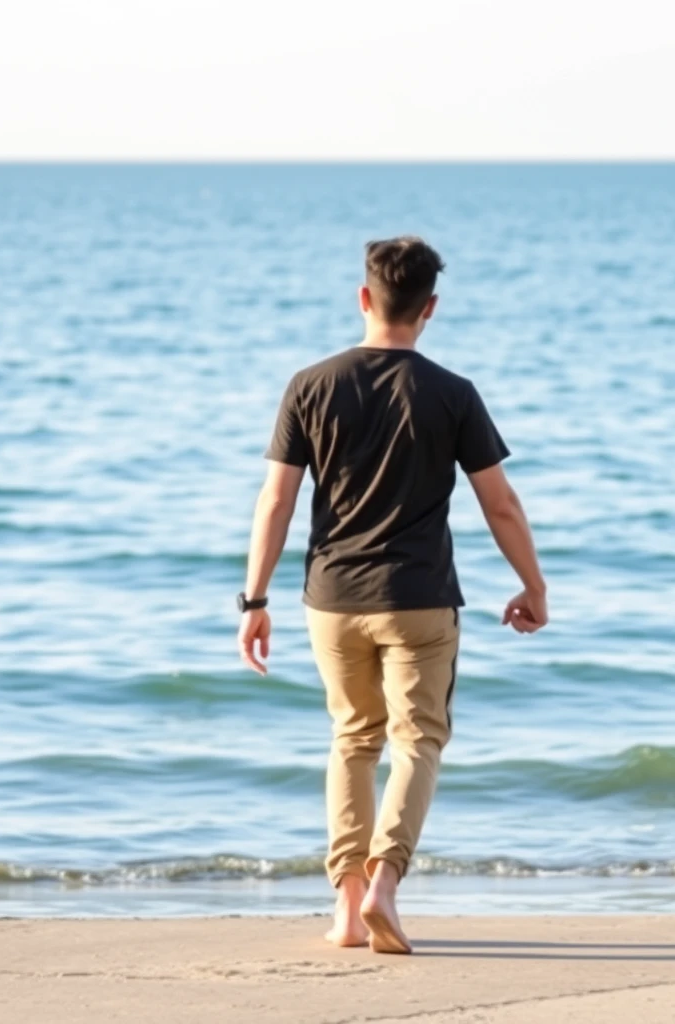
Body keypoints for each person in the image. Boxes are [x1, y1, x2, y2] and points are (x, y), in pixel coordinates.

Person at [237, 236, 547, 954]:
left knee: (352, 740)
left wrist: (254, 601)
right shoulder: (452, 393)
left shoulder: (309, 384)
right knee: (418, 741)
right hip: (420, 600)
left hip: (332, 599)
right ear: (429, 309)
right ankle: (385, 881)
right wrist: (532, 585)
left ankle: (347, 910)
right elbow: (500, 505)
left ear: (364, 297)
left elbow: (275, 501)